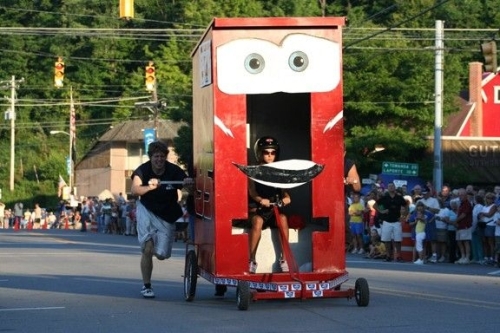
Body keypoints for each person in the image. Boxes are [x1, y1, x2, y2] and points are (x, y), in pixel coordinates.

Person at [130, 141, 188, 299]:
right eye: (156, 156)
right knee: (147, 249)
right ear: (151, 157)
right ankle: (146, 286)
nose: (159, 160)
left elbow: (186, 184)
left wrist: (188, 183)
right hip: (147, 210)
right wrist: (150, 187)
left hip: (167, 214)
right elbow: (134, 190)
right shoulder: (142, 170)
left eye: (162, 156)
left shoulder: (174, 170)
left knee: (162, 254)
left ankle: (156, 248)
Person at [248, 136, 291, 274]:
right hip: (259, 209)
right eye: (266, 152)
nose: (270, 155)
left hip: (274, 209)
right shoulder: (253, 171)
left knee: (283, 219)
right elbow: (252, 191)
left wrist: (287, 198)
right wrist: (260, 200)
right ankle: (252, 259)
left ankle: (284, 259)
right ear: (260, 153)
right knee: (258, 221)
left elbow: (285, 192)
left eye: (273, 153)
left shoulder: (279, 171)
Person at [374, 182, 408, 262]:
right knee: (387, 240)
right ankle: (388, 255)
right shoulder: (385, 197)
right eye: (389, 186)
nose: (391, 188)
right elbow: (375, 205)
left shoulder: (399, 197)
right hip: (386, 221)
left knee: (398, 240)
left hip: (397, 221)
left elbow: (406, 206)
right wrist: (381, 211)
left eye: (392, 186)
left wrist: (404, 216)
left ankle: (398, 256)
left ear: (395, 187)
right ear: (387, 188)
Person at [344, 148, 361, 251]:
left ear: (344, 152)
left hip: (338, 200)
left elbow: (357, 187)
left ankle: (345, 242)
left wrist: (352, 180)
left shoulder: (348, 163)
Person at [453, 188, 473, 264]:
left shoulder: (467, 204)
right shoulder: (461, 203)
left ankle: (467, 257)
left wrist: (455, 221)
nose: (460, 196)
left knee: (465, 241)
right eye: (459, 195)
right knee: (459, 241)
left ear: (465, 195)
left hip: (465, 225)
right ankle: (462, 256)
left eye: (462, 195)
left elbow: (463, 215)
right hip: (459, 225)